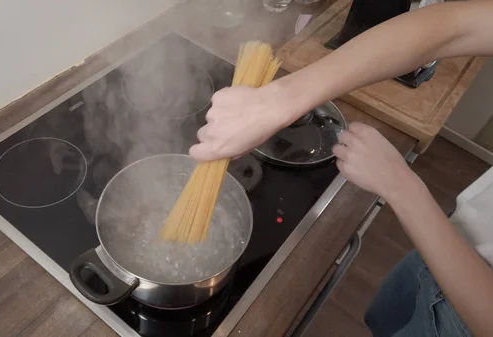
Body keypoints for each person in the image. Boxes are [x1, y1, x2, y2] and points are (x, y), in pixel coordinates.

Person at [189, 1, 493, 336]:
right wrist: (282, 98)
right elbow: (455, 25)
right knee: (382, 321)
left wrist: (401, 187)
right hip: (458, 244)